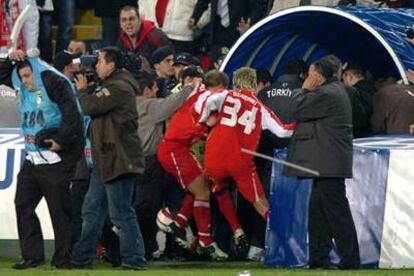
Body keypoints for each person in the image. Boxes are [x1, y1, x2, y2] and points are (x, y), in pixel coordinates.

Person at [6, 49, 83, 269]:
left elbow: (73, 115)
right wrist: (11, 58)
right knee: (23, 204)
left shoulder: (53, 83)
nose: (24, 82)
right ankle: (32, 257)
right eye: (21, 78)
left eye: (28, 76)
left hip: (55, 160)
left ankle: (63, 259)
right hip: (33, 159)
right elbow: (3, 75)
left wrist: (60, 140)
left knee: (59, 212)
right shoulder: (25, 86)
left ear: (37, 73)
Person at [71, 46, 146, 270]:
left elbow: (90, 106)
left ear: (112, 65)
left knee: (121, 214)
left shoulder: (119, 87)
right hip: (107, 160)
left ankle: (134, 260)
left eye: (100, 61)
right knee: (92, 211)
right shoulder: (111, 86)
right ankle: (82, 258)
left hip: (119, 159)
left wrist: (83, 90)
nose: (96, 65)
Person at [285, 59, 360, 269]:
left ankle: (350, 260)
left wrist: (302, 90)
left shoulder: (327, 94)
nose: (306, 78)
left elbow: (298, 108)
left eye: (309, 74)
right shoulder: (335, 90)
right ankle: (319, 259)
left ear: (318, 76)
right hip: (326, 162)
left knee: (337, 214)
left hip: (329, 162)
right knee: (318, 214)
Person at [199, 67, 295, 224]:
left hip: (214, 158)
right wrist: (302, 123)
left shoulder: (225, 95)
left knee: (199, 186)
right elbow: (283, 132)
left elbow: (209, 111)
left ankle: (183, 222)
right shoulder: (260, 107)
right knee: (260, 202)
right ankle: (280, 236)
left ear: (235, 83)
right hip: (240, 163)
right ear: (254, 84)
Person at [157, 69, 232, 260]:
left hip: (180, 149)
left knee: (204, 184)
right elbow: (212, 119)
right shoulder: (206, 98)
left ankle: (179, 222)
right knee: (202, 191)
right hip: (173, 149)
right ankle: (205, 242)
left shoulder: (202, 96)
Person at [134, 69, 201, 258]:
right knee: (147, 207)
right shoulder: (147, 106)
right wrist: (189, 87)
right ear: (146, 90)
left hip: (132, 161)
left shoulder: (125, 105)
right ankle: (141, 249)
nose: (156, 92)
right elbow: (171, 104)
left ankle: (147, 246)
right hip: (148, 162)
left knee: (143, 205)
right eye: (154, 88)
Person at [139, 0, 211, 54]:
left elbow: (209, 7)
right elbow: (142, 5)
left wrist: (198, 22)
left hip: (181, 38)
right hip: (154, 35)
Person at [189, 0, 262, 51]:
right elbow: (203, 1)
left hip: (239, 29)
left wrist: (250, 24)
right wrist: (195, 16)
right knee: (216, 64)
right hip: (218, 29)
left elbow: (256, 7)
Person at [342, 61, 375, 138]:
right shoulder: (374, 89)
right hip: (374, 134)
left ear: (349, 77)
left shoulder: (352, 93)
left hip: (358, 136)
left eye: (344, 79)